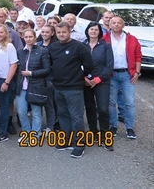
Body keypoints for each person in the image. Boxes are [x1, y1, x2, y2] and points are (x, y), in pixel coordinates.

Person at [49, 22, 94, 158]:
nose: (61, 35)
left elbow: (89, 65)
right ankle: (67, 141)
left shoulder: (80, 47)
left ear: (69, 32)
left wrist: (78, 76)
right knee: (62, 115)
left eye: (64, 32)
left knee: (76, 116)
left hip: (74, 88)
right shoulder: (53, 47)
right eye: (59, 32)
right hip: (58, 87)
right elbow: (51, 64)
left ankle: (79, 144)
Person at [103, 16, 142, 139]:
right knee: (111, 102)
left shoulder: (132, 39)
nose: (116, 25)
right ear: (109, 25)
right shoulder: (104, 39)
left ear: (123, 25)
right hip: (111, 75)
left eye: (119, 23)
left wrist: (137, 72)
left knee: (129, 102)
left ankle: (129, 128)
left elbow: (138, 56)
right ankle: (113, 126)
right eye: (113, 22)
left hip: (127, 74)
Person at [13, 29, 51, 141]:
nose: (28, 39)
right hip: (21, 86)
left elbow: (47, 69)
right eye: (26, 37)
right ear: (23, 38)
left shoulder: (42, 51)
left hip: (36, 86)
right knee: (21, 111)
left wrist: (31, 73)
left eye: (31, 37)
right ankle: (27, 133)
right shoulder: (20, 51)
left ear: (35, 38)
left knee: (36, 112)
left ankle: (36, 134)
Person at [82, 22, 114, 150]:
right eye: (91, 29)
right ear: (87, 31)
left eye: (96, 29)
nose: (93, 31)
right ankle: (93, 133)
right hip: (85, 81)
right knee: (90, 109)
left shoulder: (106, 46)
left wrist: (98, 79)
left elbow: (109, 65)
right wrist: (83, 78)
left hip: (102, 81)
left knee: (103, 109)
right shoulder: (81, 46)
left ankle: (106, 137)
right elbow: (77, 63)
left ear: (99, 32)